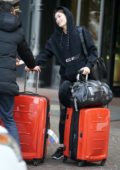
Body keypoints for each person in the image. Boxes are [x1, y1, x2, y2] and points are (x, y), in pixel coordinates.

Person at [26, 6, 97, 159]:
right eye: (56, 17)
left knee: (83, 113)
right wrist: (32, 64)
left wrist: (88, 67)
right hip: (66, 80)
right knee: (65, 113)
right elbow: (44, 54)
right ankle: (63, 147)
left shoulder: (81, 32)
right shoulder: (54, 39)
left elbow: (93, 52)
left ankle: (82, 147)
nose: (58, 19)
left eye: (60, 15)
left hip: (84, 79)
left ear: (67, 15)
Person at [0, 0, 39, 145]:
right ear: (12, 11)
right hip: (7, 82)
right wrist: (32, 65)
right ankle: (15, 158)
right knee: (8, 119)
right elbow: (26, 53)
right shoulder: (18, 30)